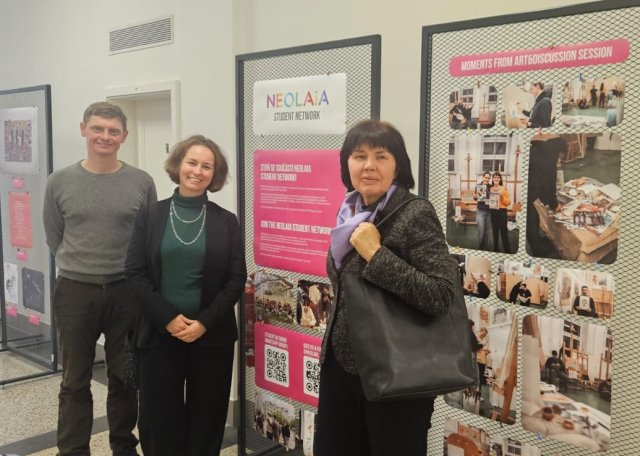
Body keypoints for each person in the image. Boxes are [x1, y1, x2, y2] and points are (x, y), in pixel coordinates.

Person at [315, 120, 456, 456]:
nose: (368, 165)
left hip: (397, 372)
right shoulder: (350, 212)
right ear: (346, 164)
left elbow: (440, 295)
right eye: (359, 156)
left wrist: (376, 255)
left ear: (398, 165)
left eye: (381, 156)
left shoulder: (415, 213)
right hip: (341, 367)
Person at [43, 101, 156, 456]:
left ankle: (123, 447)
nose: (104, 136)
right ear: (84, 130)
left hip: (126, 290)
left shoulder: (141, 182)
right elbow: (54, 235)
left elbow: (148, 236)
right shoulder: (59, 181)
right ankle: (73, 451)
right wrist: (81, 264)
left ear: (124, 135)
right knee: (74, 379)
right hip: (75, 291)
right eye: (97, 129)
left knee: (125, 376)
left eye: (112, 131)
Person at [125, 135, 247, 455]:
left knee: (207, 415)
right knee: (158, 415)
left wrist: (203, 322)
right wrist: (167, 318)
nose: (198, 171)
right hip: (159, 332)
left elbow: (236, 278)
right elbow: (135, 272)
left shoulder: (226, 221)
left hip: (211, 334)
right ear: (178, 165)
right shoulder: (150, 215)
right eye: (192, 162)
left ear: (214, 174)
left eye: (207, 166)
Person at [489, 172, 511, 253]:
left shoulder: (504, 189)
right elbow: (490, 201)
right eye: (495, 177)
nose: (496, 179)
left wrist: (502, 196)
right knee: (495, 232)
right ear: (493, 179)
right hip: (493, 212)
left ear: (500, 179)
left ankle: (507, 251)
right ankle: (496, 249)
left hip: (502, 212)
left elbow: (508, 202)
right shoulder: (491, 189)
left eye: (498, 177)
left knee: (503, 232)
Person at [473, 172, 492, 250]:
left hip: (489, 212)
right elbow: (474, 198)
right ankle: (479, 248)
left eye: (488, 178)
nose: (487, 179)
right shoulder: (478, 186)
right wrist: (476, 196)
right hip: (480, 211)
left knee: (487, 232)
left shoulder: (491, 187)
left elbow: (493, 198)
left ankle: (485, 248)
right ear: (483, 177)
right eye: (486, 177)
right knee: (481, 232)